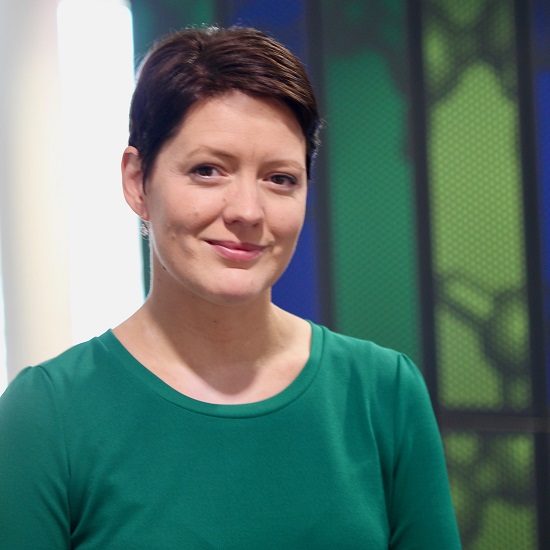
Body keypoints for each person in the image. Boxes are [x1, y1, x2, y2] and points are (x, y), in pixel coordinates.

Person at [0, 26, 461, 548]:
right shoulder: (47, 415)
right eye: (207, 170)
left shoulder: (383, 393)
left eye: (280, 178)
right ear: (136, 181)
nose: (247, 211)